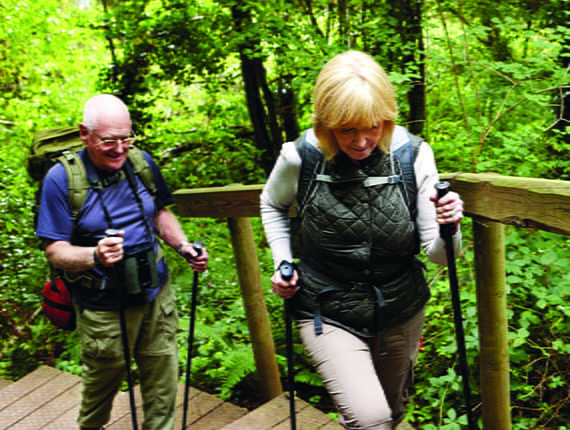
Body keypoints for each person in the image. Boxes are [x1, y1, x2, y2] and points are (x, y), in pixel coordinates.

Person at [260, 50, 464, 429]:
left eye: (372, 126)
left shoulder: (413, 156)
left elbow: (439, 256)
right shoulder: (299, 157)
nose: (361, 141)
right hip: (327, 305)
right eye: (346, 129)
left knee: (391, 414)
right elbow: (272, 204)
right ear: (326, 124)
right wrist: (282, 262)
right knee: (371, 418)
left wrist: (450, 225)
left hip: (399, 307)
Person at [36, 94, 208, 430]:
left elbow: (159, 212)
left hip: (155, 293)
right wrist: (94, 255)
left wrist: (183, 246)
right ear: (85, 134)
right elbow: (55, 249)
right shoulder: (61, 180)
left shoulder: (141, 163)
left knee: (162, 383)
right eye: (109, 141)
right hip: (103, 304)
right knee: (101, 387)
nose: (120, 149)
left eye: (126, 139)